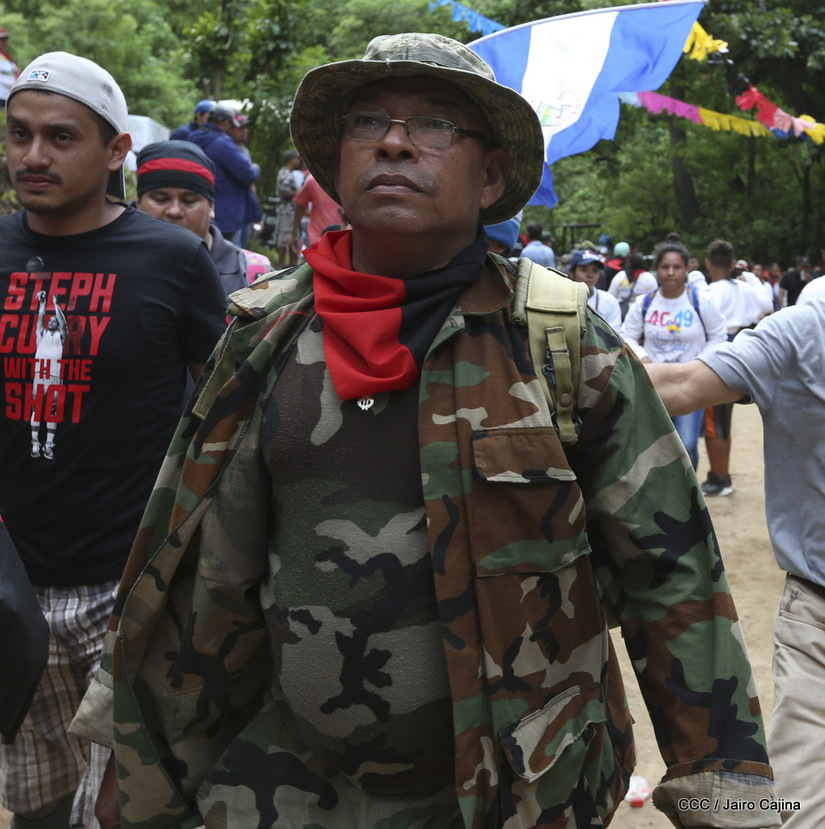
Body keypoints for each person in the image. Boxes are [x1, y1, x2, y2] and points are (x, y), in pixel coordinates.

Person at [74, 32, 778, 829]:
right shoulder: (263, 335)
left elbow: (672, 574)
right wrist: (140, 767)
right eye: (368, 121)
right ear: (337, 164)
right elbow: (190, 558)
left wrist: (731, 801)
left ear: (490, 176)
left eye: (435, 123)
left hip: (518, 794)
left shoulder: (558, 341)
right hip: (288, 791)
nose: (394, 142)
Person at [0, 51, 227, 829]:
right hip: (12, 585)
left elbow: (224, 410)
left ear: (116, 150)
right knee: (33, 800)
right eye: (20, 134)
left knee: (121, 806)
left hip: (130, 586)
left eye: (61, 137)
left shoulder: (172, 261)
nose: (34, 155)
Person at [646, 298, 825, 829]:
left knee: (799, 807)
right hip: (816, 616)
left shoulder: (805, 324)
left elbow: (679, 386)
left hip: (817, 613)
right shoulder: (805, 325)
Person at [621, 240, 726, 468]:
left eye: (677, 267)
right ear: (656, 269)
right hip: (653, 384)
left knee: (686, 444)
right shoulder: (644, 303)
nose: (670, 273)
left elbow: (718, 335)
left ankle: (689, 488)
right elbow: (626, 334)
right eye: (665, 267)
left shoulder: (701, 301)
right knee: (652, 446)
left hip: (691, 383)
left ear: (687, 269)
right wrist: (643, 358)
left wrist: (700, 363)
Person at [134, 140, 272, 295]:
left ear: (211, 207)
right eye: (161, 199)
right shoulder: (117, 265)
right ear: (139, 204)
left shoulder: (255, 276)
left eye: (189, 201)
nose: (174, 211)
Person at [698, 239, 772, 496]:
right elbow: (767, 306)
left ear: (708, 263)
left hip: (718, 352)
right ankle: (721, 475)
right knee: (722, 420)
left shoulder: (708, 292)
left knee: (714, 422)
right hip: (744, 348)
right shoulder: (745, 289)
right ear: (732, 264)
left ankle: (720, 478)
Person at [188, 105, 261, 245]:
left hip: (198, 208)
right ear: (226, 123)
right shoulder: (222, 143)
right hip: (226, 213)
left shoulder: (193, 138)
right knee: (227, 254)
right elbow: (247, 174)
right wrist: (255, 168)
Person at [30, 290, 68, 459]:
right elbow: (40, 318)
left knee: (52, 411)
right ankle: (35, 442)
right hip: (40, 374)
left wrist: (55, 304)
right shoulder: (41, 334)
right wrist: (43, 303)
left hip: (55, 376)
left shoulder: (61, 336)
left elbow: (64, 325)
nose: (52, 321)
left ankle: (49, 444)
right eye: (50, 320)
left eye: (55, 320)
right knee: (36, 409)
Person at [227, 112, 261, 247]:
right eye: (240, 127)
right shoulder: (225, 148)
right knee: (233, 248)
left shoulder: (245, 151)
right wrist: (255, 168)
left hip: (244, 208)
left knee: (241, 248)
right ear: (230, 128)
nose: (244, 131)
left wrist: (255, 212)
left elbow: (250, 183)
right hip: (230, 209)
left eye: (246, 127)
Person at [567, 248, 621, 330]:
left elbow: (615, 334)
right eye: (584, 270)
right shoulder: (561, 299)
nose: (590, 275)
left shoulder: (610, 302)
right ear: (573, 272)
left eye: (595, 270)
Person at [291, 170, 343, 252]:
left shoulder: (348, 180)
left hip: (343, 239)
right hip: (317, 238)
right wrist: (294, 234)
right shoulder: (313, 180)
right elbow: (300, 205)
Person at [273, 149, 304, 267]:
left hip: (291, 211)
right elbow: (284, 192)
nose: (299, 161)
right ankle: (282, 263)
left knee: (292, 236)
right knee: (284, 236)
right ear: (291, 160)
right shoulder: (285, 173)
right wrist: (299, 193)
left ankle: (292, 264)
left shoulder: (288, 173)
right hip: (286, 211)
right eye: (297, 159)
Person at [607, 249, 657, 319]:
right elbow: (655, 300)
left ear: (629, 262)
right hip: (642, 316)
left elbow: (610, 297)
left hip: (621, 315)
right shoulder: (650, 279)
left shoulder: (620, 276)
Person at [0, 27, 19, 106]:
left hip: (8, 95)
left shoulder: (7, 57)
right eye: (1, 39)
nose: (3, 42)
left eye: (5, 39)